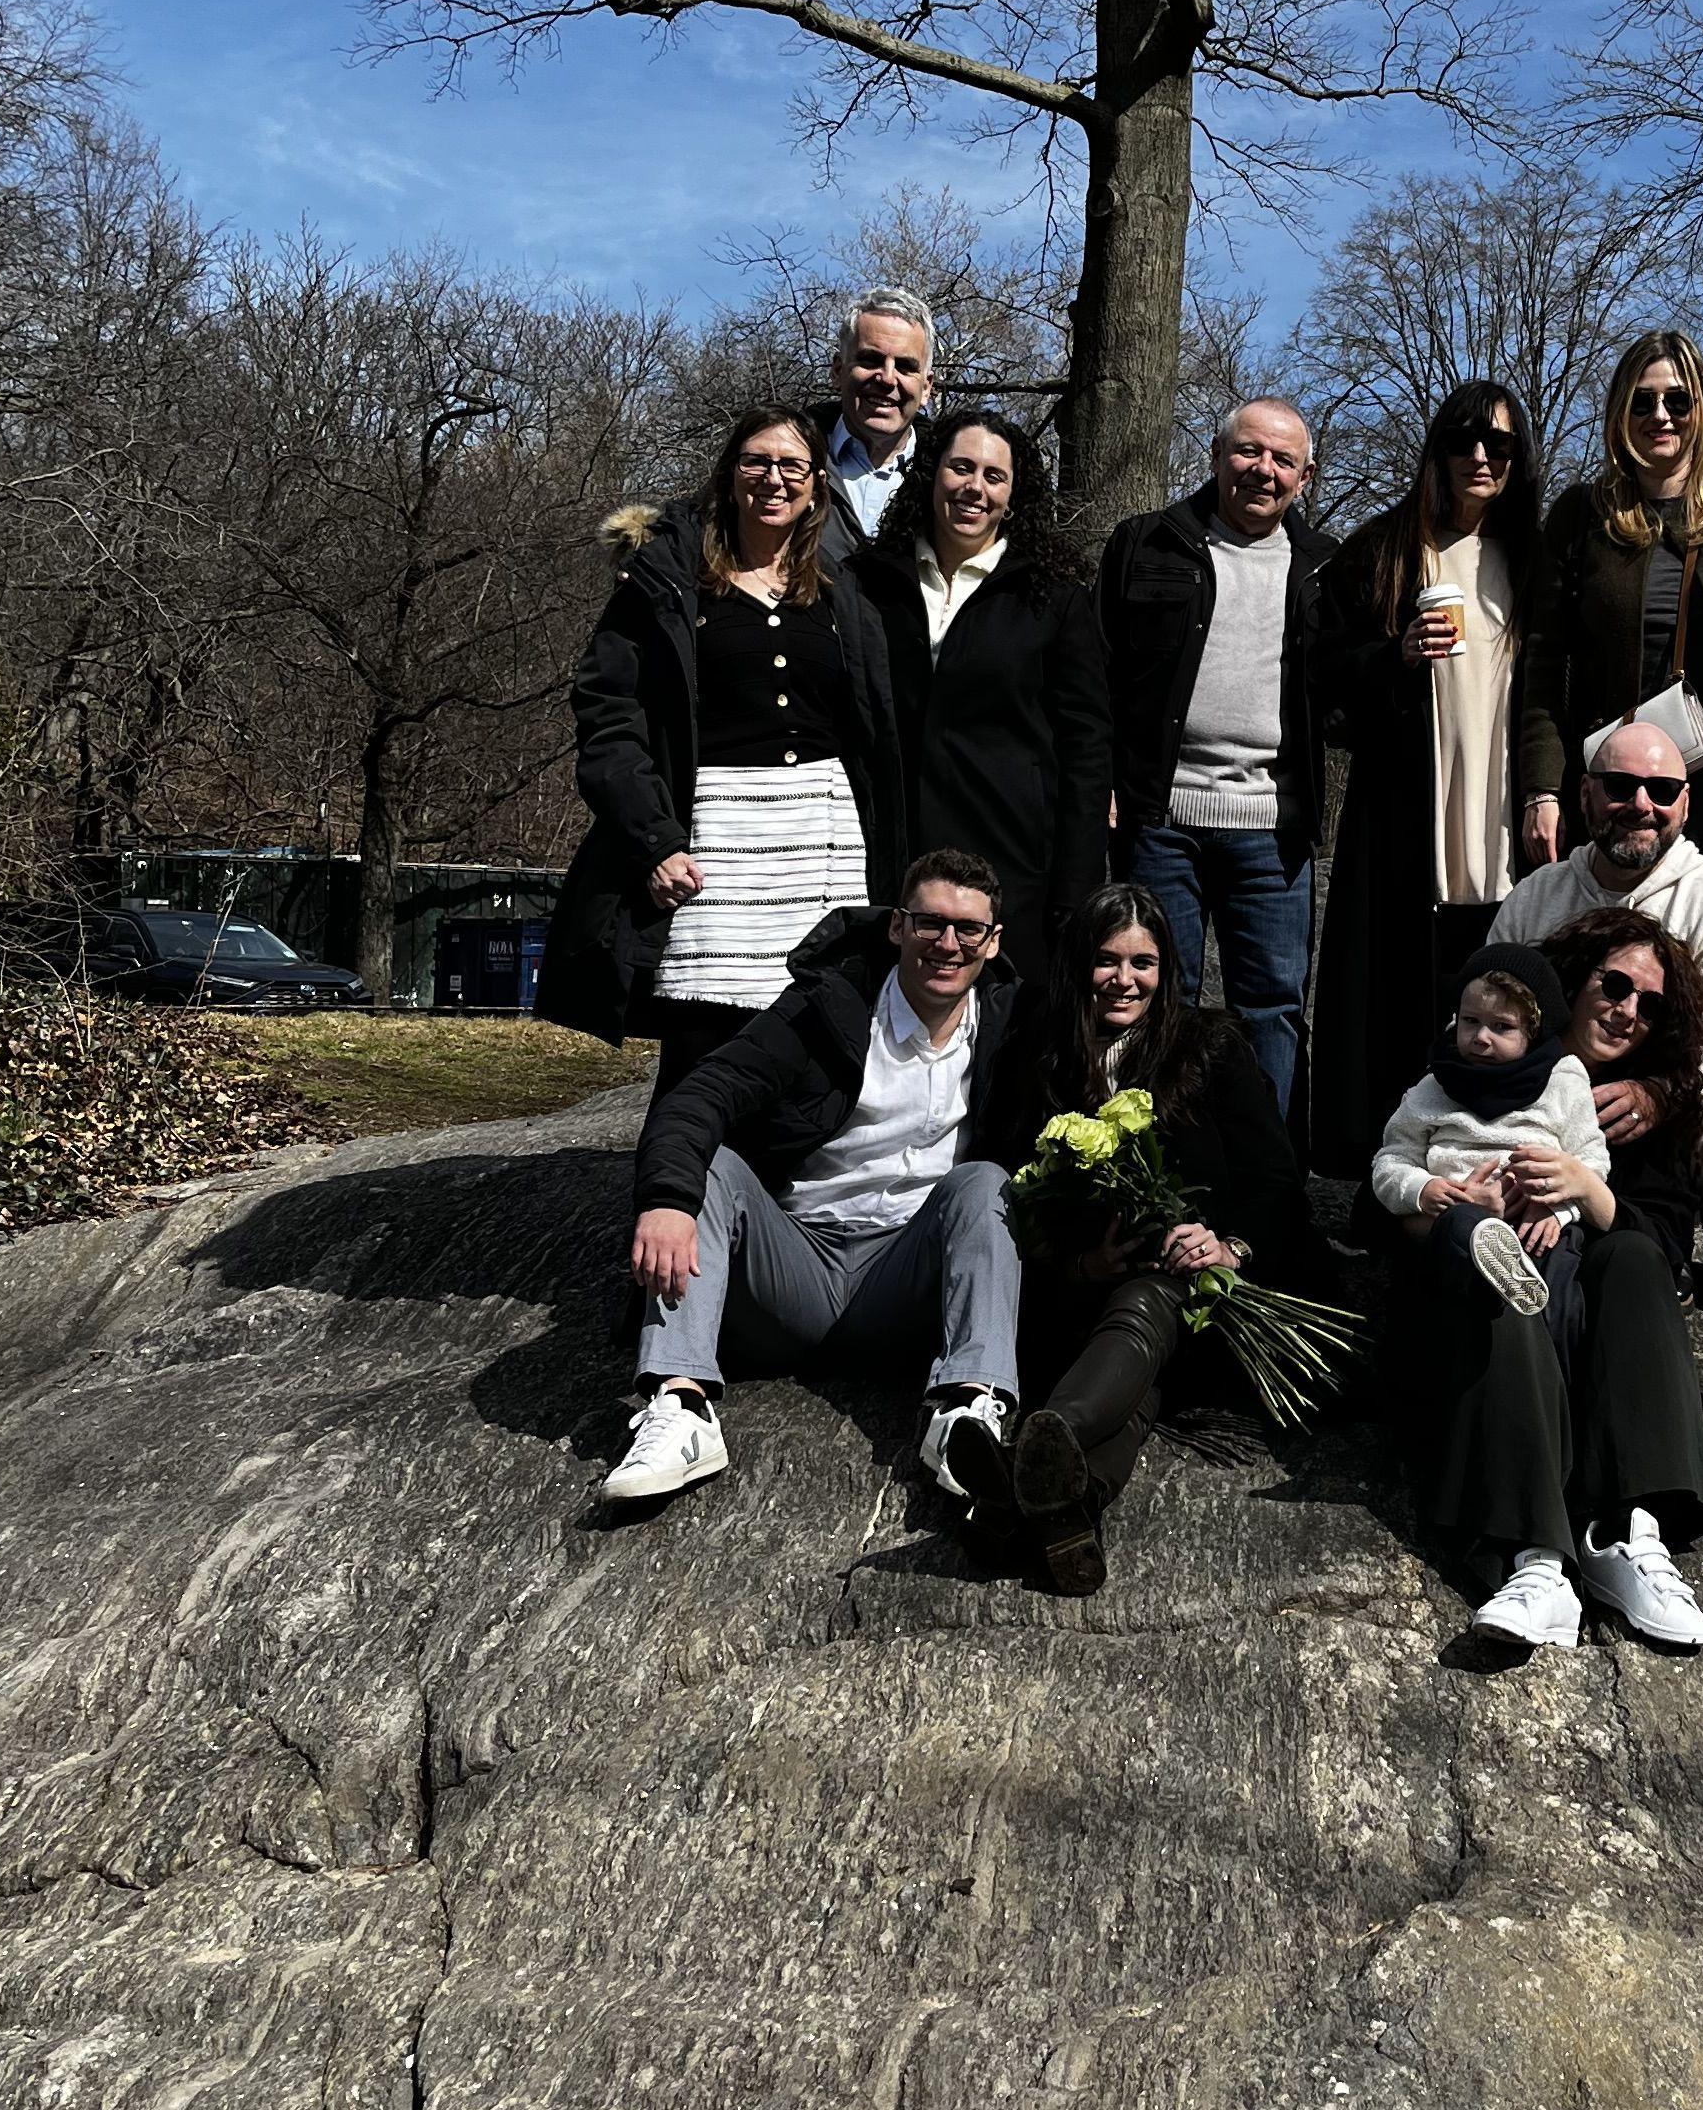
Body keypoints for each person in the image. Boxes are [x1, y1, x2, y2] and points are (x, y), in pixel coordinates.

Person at [598, 848, 1033, 1508]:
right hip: (795, 1267)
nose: (947, 943)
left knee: (986, 1182)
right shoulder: (825, 1006)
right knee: (710, 1168)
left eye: (967, 929)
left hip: (908, 1281)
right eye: (928, 922)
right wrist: (666, 1201)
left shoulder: (1013, 1029)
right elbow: (699, 1095)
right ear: (896, 926)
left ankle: (966, 1413)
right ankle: (681, 1409)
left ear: (992, 941)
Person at [964, 880, 1326, 1594]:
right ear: (1078, 967)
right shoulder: (1039, 1056)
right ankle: (1069, 1499)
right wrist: (1076, 1263)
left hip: (1197, 1301)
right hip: (1077, 1303)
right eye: (1106, 961)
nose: (1124, 980)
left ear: (1167, 971)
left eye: (1144, 963)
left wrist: (1229, 1248)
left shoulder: (1209, 1046)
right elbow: (1010, 1185)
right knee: (1138, 1368)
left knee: (1154, 1299)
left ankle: (1036, 1450)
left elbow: (1275, 1177)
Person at [1367, 935, 1703, 1658]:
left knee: (1631, 1256)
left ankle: (1625, 1533)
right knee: (1495, 1273)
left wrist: (1580, 1193)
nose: (1627, 1010)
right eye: (1614, 985)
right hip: (1466, 1312)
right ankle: (1535, 1558)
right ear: (1574, 989)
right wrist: (1444, 1202)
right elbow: (1377, 1190)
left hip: (1570, 1299)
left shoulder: (1648, 1114)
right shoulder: (1441, 1083)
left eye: (1649, 1004)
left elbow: (1663, 1244)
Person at [541, 405, 904, 1080]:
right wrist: (655, 840)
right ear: (729, 475)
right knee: (706, 1048)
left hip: (823, 839)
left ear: (817, 482)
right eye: (756, 462)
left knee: (822, 1035)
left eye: (792, 465)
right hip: (715, 842)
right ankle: (683, 1185)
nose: (774, 479)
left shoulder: (840, 593)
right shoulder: (668, 584)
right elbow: (609, 717)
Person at [1481, 714, 1703, 1461]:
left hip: (1670, 1100)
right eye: (1621, 786)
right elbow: (1488, 1002)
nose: (1642, 804)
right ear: (1587, 796)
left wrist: (1662, 1093)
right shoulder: (1537, 896)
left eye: (1663, 789)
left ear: (1686, 803)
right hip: (1550, 1103)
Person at [1307, 378, 1564, 1178]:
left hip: (1505, 814)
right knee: (1392, 997)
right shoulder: (1382, 550)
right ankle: (1381, 1168)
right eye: (1464, 441)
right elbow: (1319, 679)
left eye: (1501, 445)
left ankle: (1484, 1163)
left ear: (1521, 461)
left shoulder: (1536, 561)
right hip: (1403, 817)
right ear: (1438, 452)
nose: (1481, 458)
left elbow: (1561, 688)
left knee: (1491, 1002)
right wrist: (1395, 657)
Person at [1099, 395, 1331, 1121]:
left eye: (1282, 460)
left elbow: (1348, 689)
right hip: (1159, 819)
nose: (1263, 470)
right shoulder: (1146, 543)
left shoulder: (1326, 567)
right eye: (1248, 452)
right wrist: (1104, 779)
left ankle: (1265, 1189)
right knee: (1154, 1002)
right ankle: (1152, 1175)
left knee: (1271, 1010)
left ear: (1306, 476)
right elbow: (1096, 672)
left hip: (1272, 827)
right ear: (1215, 454)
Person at [1517, 326, 1703, 898]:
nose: (1661, 415)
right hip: (1618, 792)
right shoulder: (1583, 515)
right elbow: (1543, 664)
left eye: (1678, 400)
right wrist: (1542, 790)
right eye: (1642, 401)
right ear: (1621, 412)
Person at [853, 406, 1114, 960]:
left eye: (994, 476)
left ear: (1014, 495)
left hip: (1014, 871)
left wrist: (1076, 892)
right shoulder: (870, 581)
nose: (975, 487)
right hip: (890, 864)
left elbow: (1086, 752)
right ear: (930, 474)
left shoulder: (1054, 596)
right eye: (961, 468)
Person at [1367, 947, 1609, 1317]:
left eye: (1502, 1027)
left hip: (1536, 1223)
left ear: (1533, 1031)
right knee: (1463, 1232)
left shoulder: (1562, 1080)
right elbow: (1392, 1159)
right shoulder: (1436, 1084)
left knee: (1559, 1277)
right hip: (1456, 1222)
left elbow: (1592, 1161)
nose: (1481, 1037)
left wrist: (1559, 1211)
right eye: (1470, 1021)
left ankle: (1552, 1360)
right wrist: (1422, 1189)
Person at [820, 289, 936, 544]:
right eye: (871, 360)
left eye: (905, 366)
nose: (887, 378)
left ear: (926, 387)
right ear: (838, 371)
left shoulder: (949, 479)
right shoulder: (786, 464)